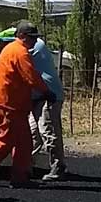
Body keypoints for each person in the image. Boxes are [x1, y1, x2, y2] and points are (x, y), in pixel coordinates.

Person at [0, 20, 52, 187]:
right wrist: (47, 91)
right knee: (7, 140)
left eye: (35, 37)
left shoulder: (9, 49)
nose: (34, 41)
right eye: (31, 37)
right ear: (21, 36)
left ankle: (20, 177)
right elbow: (31, 76)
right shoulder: (21, 53)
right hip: (8, 105)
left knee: (24, 142)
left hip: (13, 104)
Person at [26, 33, 68, 181]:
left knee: (47, 130)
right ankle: (26, 166)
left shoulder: (33, 48)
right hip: (42, 95)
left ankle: (58, 166)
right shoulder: (39, 45)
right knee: (33, 131)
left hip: (49, 94)